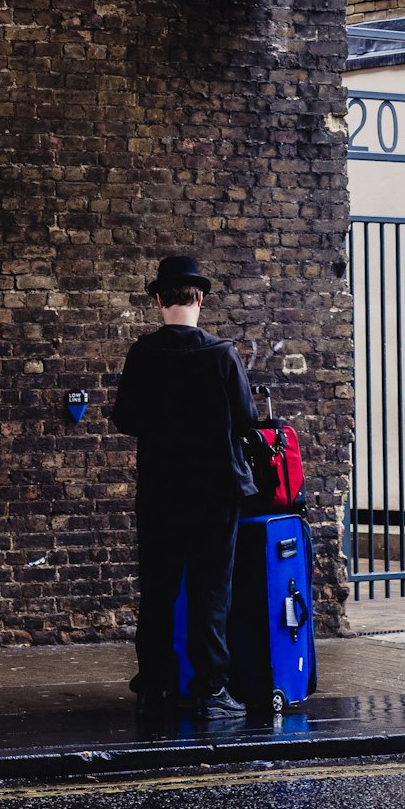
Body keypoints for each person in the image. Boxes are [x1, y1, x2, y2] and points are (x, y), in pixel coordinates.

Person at [112, 254, 259, 720]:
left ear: (158, 299)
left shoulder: (143, 353)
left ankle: (153, 688)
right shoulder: (222, 354)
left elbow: (126, 420)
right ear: (201, 298)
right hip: (215, 495)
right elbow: (247, 420)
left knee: (158, 593)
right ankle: (212, 691)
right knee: (211, 594)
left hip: (160, 493)